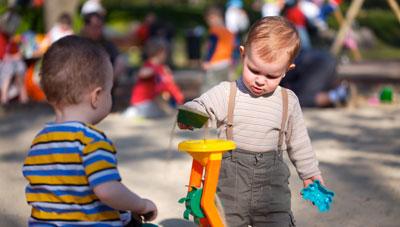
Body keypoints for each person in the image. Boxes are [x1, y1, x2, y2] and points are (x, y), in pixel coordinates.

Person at [178, 16, 324, 227]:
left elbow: (299, 143)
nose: (260, 80)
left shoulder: (288, 101)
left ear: (287, 70)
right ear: (243, 54)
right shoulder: (227, 92)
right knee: (224, 221)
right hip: (230, 184)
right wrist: (190, 116)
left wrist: (310, 173)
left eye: (271, 75)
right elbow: (202, 106)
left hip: (272, 188)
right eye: (254, 70)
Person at [22, 36, 157, 226]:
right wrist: (141, 205)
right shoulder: (91, 141)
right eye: (109, 91)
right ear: (96, 96)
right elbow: (107, 190)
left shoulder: (39, 141)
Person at [124, 38, 184, 119]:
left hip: (152, 102)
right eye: (165, 53)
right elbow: (142, 73)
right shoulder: (149, 66)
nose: (166, 55)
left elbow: (168, 85)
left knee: (161, 98)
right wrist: (155, 71)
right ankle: (134, 112)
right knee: (160, 104)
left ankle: (170, 111)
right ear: (160, 52)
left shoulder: (161, 68)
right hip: (143, 103)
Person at [202, 6, 235, 92]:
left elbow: (211, 47)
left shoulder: (215, 31)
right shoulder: (229, 32)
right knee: (223, 87)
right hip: (226, 62)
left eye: (209, 20)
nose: (209, 22)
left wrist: (207, 61)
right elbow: (233, 48)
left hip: (214, 63)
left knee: (208, 87)